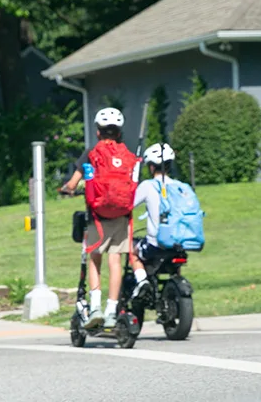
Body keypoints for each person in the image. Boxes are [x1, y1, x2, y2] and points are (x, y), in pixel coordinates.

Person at [60, 107, 137, 330]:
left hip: (98, 215)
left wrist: (67, 189)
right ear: (120, 132)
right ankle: (113, 310)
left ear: (98, 131)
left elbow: (73, 183)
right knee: (115, 261)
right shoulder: (127, 155)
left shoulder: (91, 154)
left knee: (95, 257)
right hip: (122, 214)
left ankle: (95, 308)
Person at [129, 142, 179, 296]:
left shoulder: (147, 186)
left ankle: (142, 280)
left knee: (130, 247)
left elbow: (129, 205)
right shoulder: (179, 186)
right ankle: (175, 280)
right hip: (178, 243)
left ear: (151, 166)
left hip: (155, 246)